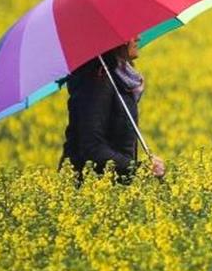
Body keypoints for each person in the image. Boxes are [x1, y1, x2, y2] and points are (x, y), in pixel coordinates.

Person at [58, 36, 166, 184]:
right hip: (90, 190)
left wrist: (137, 169)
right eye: (131, 34)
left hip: (110, 186)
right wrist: (138, 169)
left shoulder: (117, 76)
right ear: (115, 41)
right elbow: (92, 148)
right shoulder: (96, 81)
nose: (138, 37)